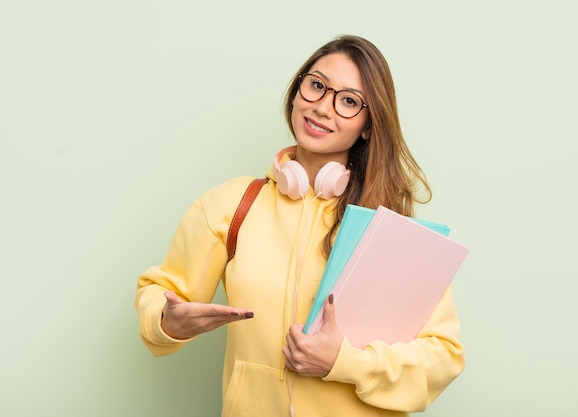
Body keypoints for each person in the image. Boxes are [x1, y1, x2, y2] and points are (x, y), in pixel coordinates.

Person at [134, 34, 465, 417]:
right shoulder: (231, 205)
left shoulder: (389, 230)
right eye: (317, 86)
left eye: (348, 101)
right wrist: (166, 319)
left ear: (369, 126)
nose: (323, 107)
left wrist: (343, 363)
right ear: (296, 91)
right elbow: (162, 291)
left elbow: (443, 355)